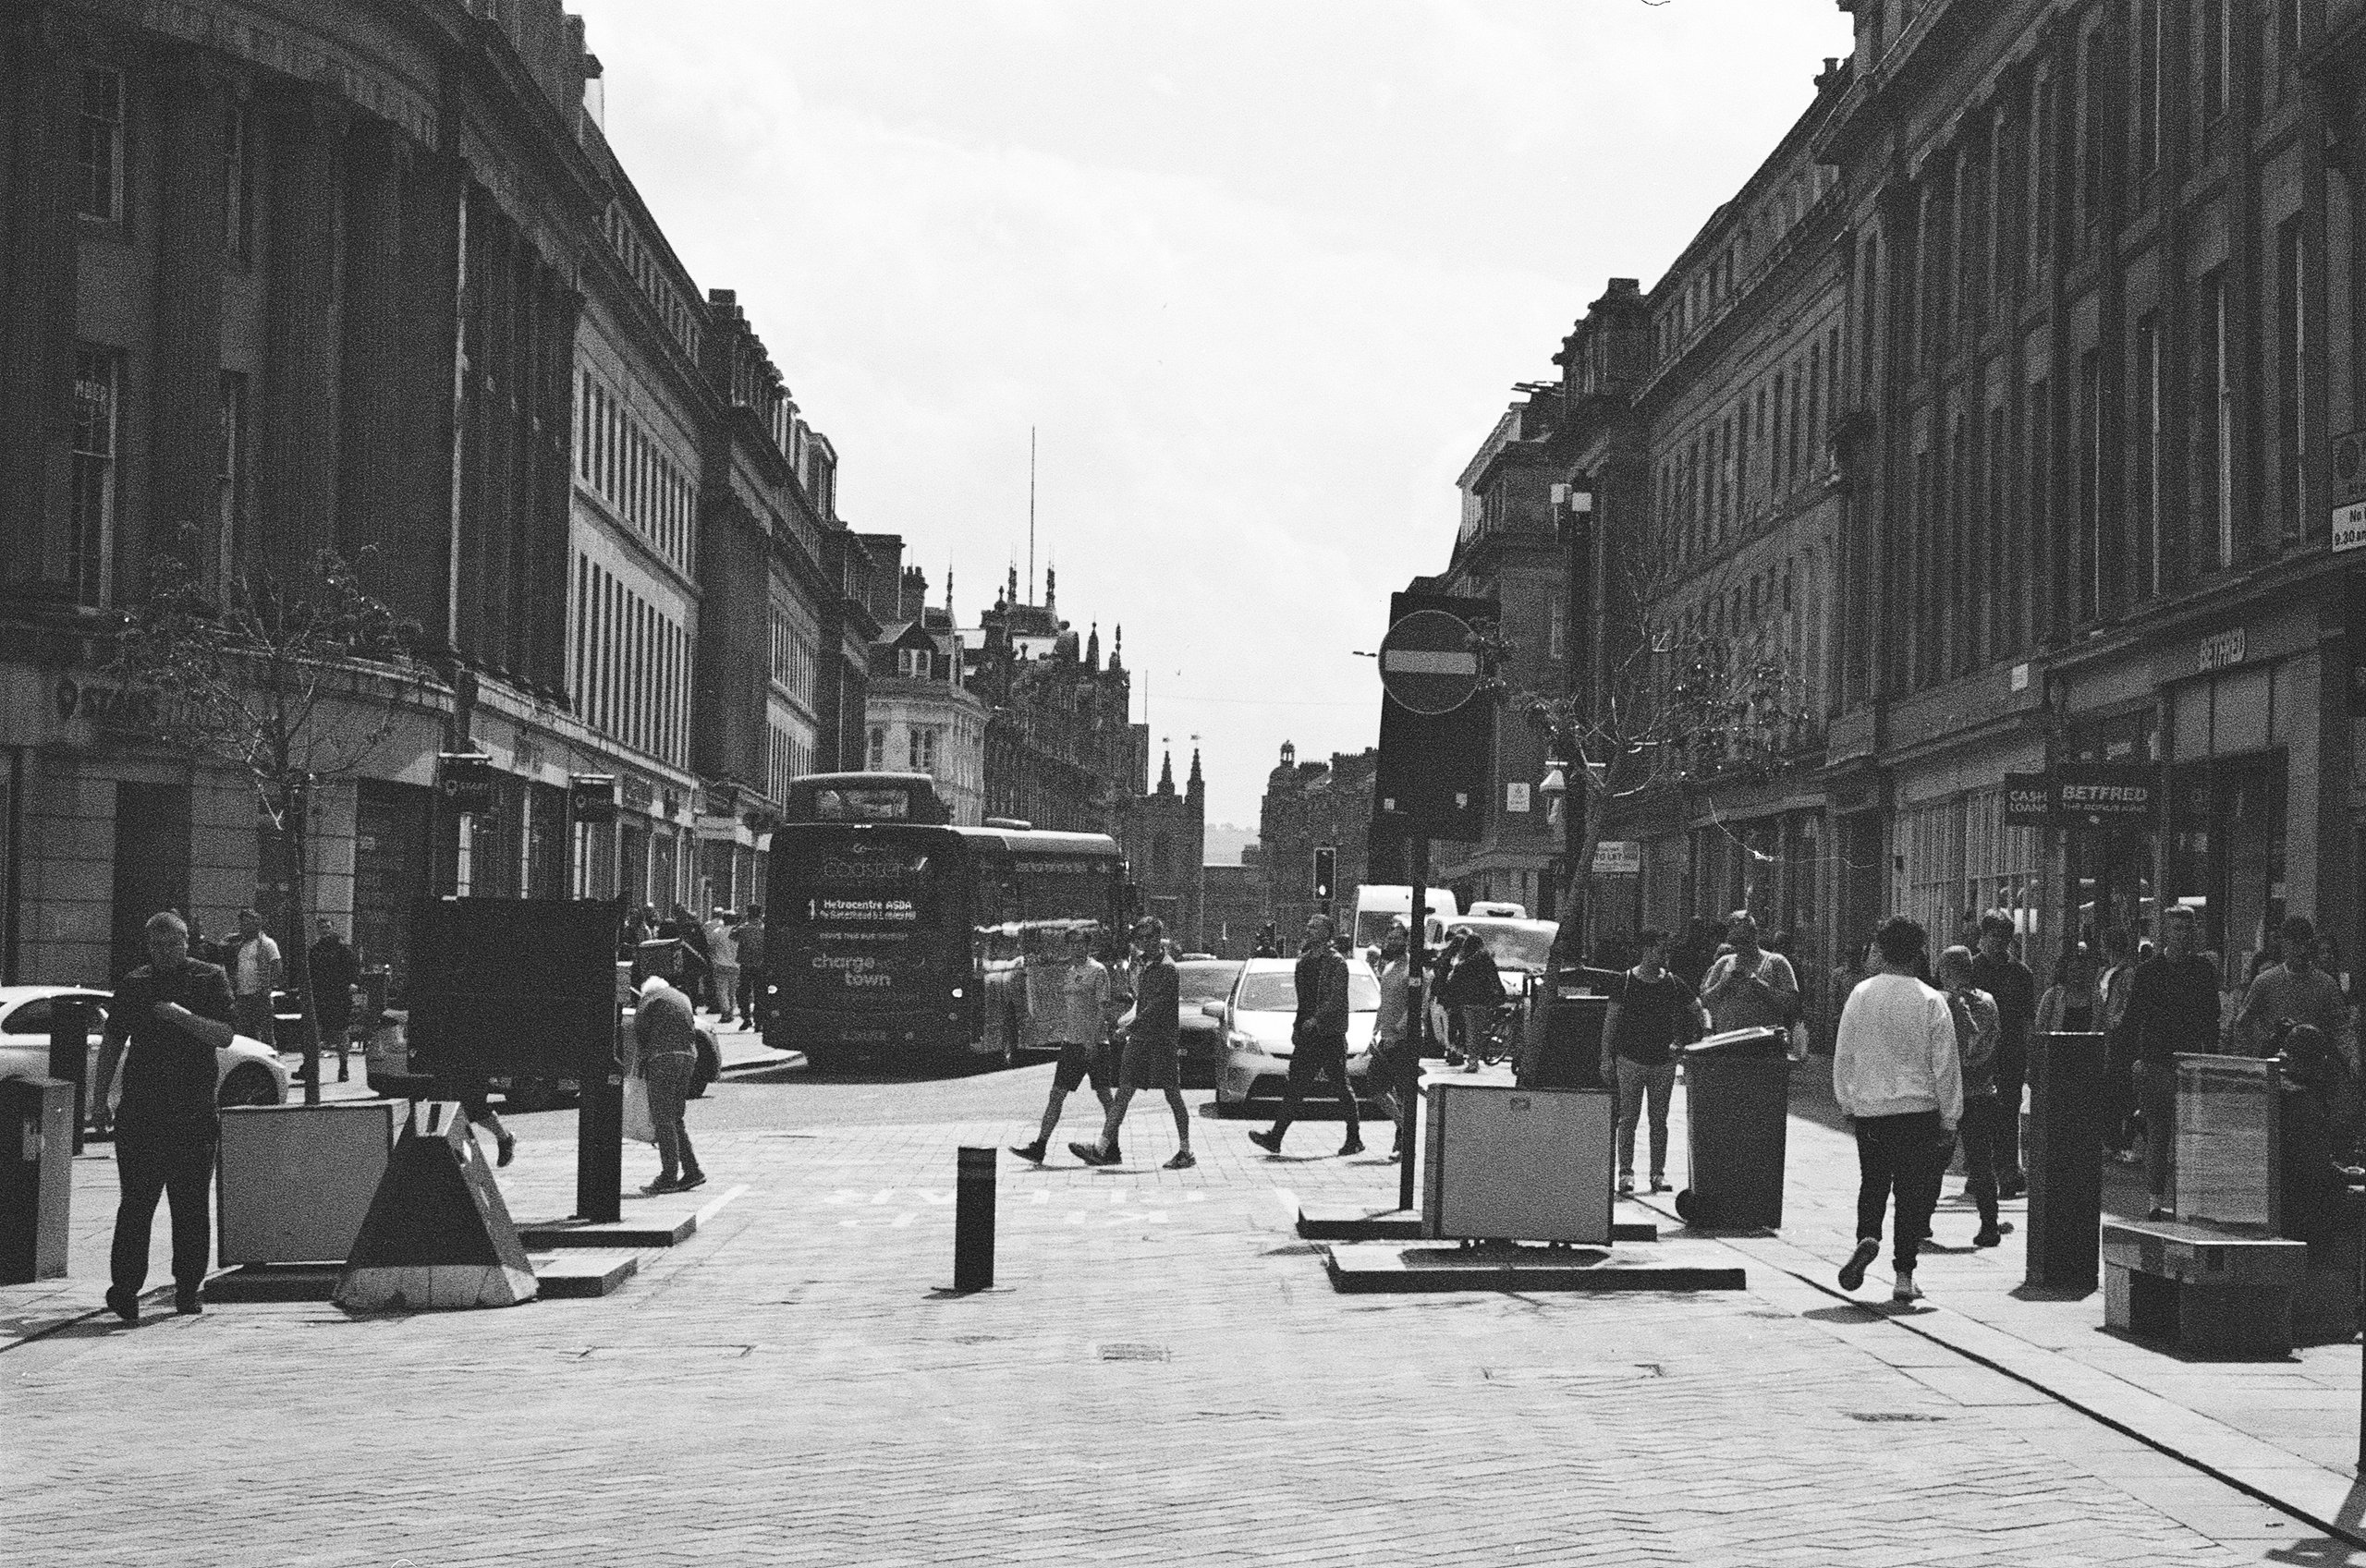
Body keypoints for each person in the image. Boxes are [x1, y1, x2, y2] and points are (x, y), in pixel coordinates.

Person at [89, 910, 238, 1320]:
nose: (166, 952)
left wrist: (181, 1016)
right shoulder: (135, 983)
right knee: (136, 1204)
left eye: (174, 943)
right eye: (158, 944)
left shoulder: (209, 978)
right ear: (148, 946)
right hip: (141, 1112)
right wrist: (100, 1098)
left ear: (186, 942)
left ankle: (189, 1288)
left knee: (189, 1204)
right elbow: (113, 1042)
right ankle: (125, 1290)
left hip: (193, 1111)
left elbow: (225, 1036)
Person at [1833, 915, 1962, 1305]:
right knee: (1911, 1192)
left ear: (1882, 950)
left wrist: (1847, 1099)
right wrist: (1950, 1116)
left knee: (1873, 1182)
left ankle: (1867, 1236)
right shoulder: (1930, 999)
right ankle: (1904, 1276)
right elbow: (1946, 1063)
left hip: (1871, 1110)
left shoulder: (1861, 994)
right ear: (1918, 953)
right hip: (1918, 1111)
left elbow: (1845, 1052)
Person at [2114, 905, 2221, 1219]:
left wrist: (2210, 1058)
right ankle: (2156, 1201)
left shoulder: (2203, 971)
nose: (2183, 935)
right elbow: (2134, 1017)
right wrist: (2130, 1060)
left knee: (2189, 1136)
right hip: (2157, 1062)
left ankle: (2185, 1202)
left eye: (2187, 929)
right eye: (2177, 929)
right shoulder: (2149, 971)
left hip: (2190, 1062)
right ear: (2166, 933)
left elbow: (2211, 1018)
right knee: (2160, 1134)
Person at [1592, 929, 1709, 1197]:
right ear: (1646, 950)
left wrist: (1706, 1032)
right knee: (1628, 1119)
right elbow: (1610, 1022)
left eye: (1666, 950)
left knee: (1659, 1120)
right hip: (1629, 1060)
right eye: (1660, 949)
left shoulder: (1673, 983)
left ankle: (1658, 1173)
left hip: (1663, 1062)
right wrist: (1606, 1059)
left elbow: (1698, 1007)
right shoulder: (1625, 982)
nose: (1665, 955)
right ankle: (1626, 1174)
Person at [1076, 918, 1195, 1170]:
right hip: (1140, 1040)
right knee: (1123, 1094)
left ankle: (1186, 1151)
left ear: (1159, 937)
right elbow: (1140, 1001)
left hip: (1161, 1041)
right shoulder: (1144, 965)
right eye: (1140, 938)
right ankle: (1102, 1147)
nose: (1144, 942)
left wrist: (1128, 1027)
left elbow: (1156, 1009)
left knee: (1173, 1095)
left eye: (1149, 937)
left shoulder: (1167, 968)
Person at [1250, 913, 1363, 1157]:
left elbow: (1336, 998)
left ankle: (1354, 1138)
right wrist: (1299, 1026)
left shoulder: (1336, 962)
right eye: (1309, 925)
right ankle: (1275, 1138)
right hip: (1307, 1034)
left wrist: (1317, 1019)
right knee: (1295, 1087)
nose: (1309, 929)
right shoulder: (1303, 961)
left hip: (1329, 1034)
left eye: (1315, 927)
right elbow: (1303, 1001)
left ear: (1326, 932)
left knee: (1341, 1086)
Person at [1010, 926, 1118, 1165]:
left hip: (1094, 1044)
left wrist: (1092, 1039)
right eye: (1072, 943)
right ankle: (1039, 1146)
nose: (1076, 947)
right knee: (1056, 1095)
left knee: (1104, 1096)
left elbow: (1102, 1008)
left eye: (1081, 943)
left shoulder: (1097, 971)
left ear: (1088, 946)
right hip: (1071, 1044)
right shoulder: (1070, 971)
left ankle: (1112, 1149)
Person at [1936, 945, 2012, 1248]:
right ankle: (1989, 1225)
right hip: (1982, 1092)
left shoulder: (1941, 1002)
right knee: (1982, 1161)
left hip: (1949, 1093)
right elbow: (1990, 1043)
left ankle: (1920, 1221)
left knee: (1934, 1160)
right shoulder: (1989, 1002)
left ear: (1948, 972)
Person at [1970, 912, 2037, 1198]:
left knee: (2008, 1113)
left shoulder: (2021, 973)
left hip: (2010, 1053)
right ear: (1982, 937)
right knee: (1979, 1115)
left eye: (2005, 938)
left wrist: (2031, 1056)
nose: (1999, 943)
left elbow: (2027, 1019)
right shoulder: (1971, 969)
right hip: (1979, 1054)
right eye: (1994, 936)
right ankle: (1979, 1172)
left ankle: (2008, 1172)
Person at [633, 973, 706, 1194]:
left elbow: (640, 1030)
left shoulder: (649, 999)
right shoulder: (680, 996)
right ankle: (692, 1171)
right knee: (675, 1117)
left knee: (663, 1118)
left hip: (663, 1058)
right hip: (688, 1057)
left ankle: (668, 1176)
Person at [2238, 916, 2349, 1058]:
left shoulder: (2326, 984)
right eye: (2296, 944)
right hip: (2275, 1061)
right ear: (2285, 945)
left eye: (2307, 944)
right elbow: (2243, 1024)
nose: (2302, 951)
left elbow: (2341, 1028)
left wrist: (2349, 1060)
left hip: (2313, 1065)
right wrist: (2248, 1058)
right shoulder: (2265, 981)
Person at [1365, 920, 1422, 1160]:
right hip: (1386, 1037)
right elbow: (1384, 1002)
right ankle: (1403, 1127)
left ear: (1407, 941)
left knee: (1403, 1091)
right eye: (1389, 939)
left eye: (1398, 938)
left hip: (1403, 1040)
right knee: (1375, 1087)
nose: (1392, 943)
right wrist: (1375, 1029)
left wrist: (1398, 1031)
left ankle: (1404, 1140)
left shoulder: (1414, 969)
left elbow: (1416, 1004)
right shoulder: (1388, 967)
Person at [1699, 910, 1799, 1036]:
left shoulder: (1776, 962)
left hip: (1762, 1043)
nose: (1740, 947)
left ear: (1754, 935)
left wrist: (1760, 986)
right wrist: (1723, 984)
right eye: (1735, 942)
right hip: (1727, 1040)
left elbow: (1792, 1005)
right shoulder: (1724, 963)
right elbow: (1705, 1000)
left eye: (1745, 941)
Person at [308, 918, 361, 1083]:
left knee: (341, 1032)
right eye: (322, 928)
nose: (325, 930)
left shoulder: (342, 948)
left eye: (327, 927)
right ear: (318, 930)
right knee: (315, 1032)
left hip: (339, 996)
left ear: (333, 928)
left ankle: (343, 1067)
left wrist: (354, 983)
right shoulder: (315, 950)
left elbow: (354, 968)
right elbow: (309, 971)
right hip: (320, 996)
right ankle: (311, 1068)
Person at [1444, 925, 1502, 1072]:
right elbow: (1495, 977)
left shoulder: (1464, 963)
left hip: (1468, 1001)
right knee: (1480, 1030)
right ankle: (1475, 1057)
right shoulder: (1486, 958)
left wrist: (1451, 999)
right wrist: (1500, 992)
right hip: (1484, 1001)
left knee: (1470, 1030)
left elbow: (1454, 982)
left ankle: (1472, 1061)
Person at [226, 906, 282, 1049]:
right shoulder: (240, 945)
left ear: (257, 924)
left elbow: (277, 967)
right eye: (242, 924)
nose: (243, 927)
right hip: (242, 995)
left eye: (247, 923)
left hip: (260, 996)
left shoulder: (267, 944)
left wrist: (267, 987)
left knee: (266, 1034)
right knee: (243, 1033)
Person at [2034, 945, 2102, 1037]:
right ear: (2065, 972)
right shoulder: (2053, 995)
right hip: (2059, 1047)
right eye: (2073, 970)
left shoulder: (2095, 997)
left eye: (2081, 970)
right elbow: (2040, 1025)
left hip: (2088, 1047)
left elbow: (2101, 1025)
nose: (2077, 974)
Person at [733, 906, 767, 1028]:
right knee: (760, 994)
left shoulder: (743, 928)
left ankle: (746, 1018)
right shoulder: (764, 929)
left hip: (746, 965)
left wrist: (741, 921)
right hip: (761, 965)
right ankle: (759, 1022)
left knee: (743, 993)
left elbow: (732, 936)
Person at [704, 907, 740, 1027]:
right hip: (736, 965)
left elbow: (710, 946)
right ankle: (730, 1011)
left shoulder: (718, 932)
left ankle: (726, 1013)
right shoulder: (739, 932)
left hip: (720, 964)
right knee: (733, 991)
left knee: (722, 991)